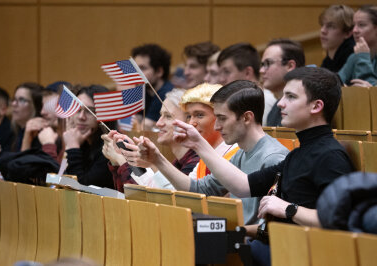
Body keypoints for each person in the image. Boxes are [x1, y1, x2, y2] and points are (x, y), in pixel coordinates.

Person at [172, 67, 354, 266]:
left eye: (291, 97)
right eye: (283, 96)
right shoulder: (299, 153)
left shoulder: (330, 155)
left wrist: (289, 209)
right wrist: (196, 145)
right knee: (191, 236)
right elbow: (244, 186)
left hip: (297, 254)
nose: (281, 104)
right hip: (272, 245)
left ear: (316, 106)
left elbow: (340, 220)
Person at [129, 81, 288, 225]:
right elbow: (199, 190)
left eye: (222, 118)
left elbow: (269, 229)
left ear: (246, 117)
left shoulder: (273, 158)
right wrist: (157, 160)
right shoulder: (241, 153)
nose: (217, 127)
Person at [103, 88, 199, 192]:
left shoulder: (195, 163)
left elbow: (144, 199)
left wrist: (122, 161)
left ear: (190, 121)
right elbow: (130, 192)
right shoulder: (177, 162)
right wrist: (127, 155)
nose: (158, 123)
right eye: (160, 115)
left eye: (168, 116)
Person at [63, 85, 116, 189]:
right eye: (77, 110)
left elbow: (82, 189)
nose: (81, 117)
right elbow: (62, 181)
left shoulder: (112, 147)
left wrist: (73, 148)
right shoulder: (81, 141)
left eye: (90, 111)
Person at [217, 42, 276, 125]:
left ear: (247, 72)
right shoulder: (238, 101)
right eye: (220, 73)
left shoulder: (265, 101)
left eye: (227, 72)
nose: (221, 79)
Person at [261, 39, 305, 126]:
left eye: (268, 63)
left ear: (290, 66)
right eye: (262, 65)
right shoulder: (274, 109)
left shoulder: (302, 107)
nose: (261, 70)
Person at [132, 44, 174, 130]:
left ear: (159, 71)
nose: (136, 73)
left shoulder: (167, 93)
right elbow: (134, 123)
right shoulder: (143, 90)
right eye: (135, 69)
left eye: (142, 68)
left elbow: (146, 126)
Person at [338, 5, 377, 87]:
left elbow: (368, 92)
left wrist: (363, 58)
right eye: (354, 25)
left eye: (361, 25)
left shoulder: (360, 55)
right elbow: (338, 82)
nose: (355, 30)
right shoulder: (354, 56)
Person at [319, 5, 355, 72]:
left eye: (331, 26)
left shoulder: (353, 58)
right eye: (322, 25)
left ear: (348, 33)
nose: (323, 30)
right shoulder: (328, 60)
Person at [11, 82, 44, 152]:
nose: (14, 104)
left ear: (35, 106)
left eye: (21, 100)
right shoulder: (17, 132)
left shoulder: (41, 137)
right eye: (14, 99)